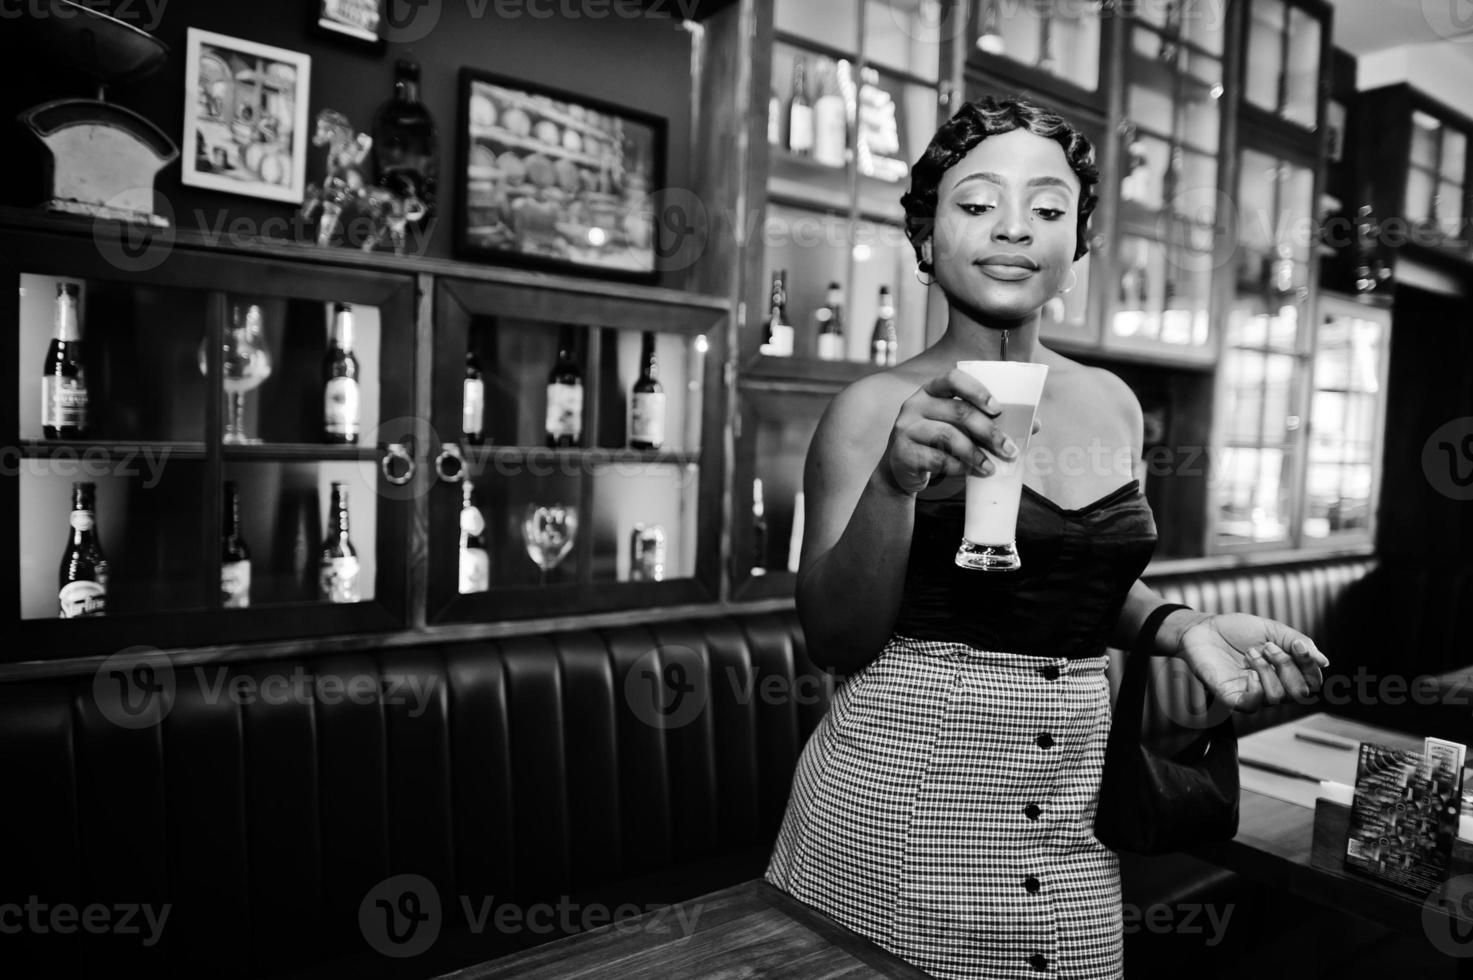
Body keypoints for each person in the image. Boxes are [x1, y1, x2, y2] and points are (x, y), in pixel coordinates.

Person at [763, 97, 1330, 979]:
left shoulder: (1111, 401)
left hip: (1071, 811)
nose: (1014, 229)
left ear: (1080, 245)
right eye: (977, 202)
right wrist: (892, 482)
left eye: (1048, 209)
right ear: (924, 237)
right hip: (899, 806)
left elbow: (1074, 577)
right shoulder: (871, 408)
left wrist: (1182, 629)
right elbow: (835, 639)